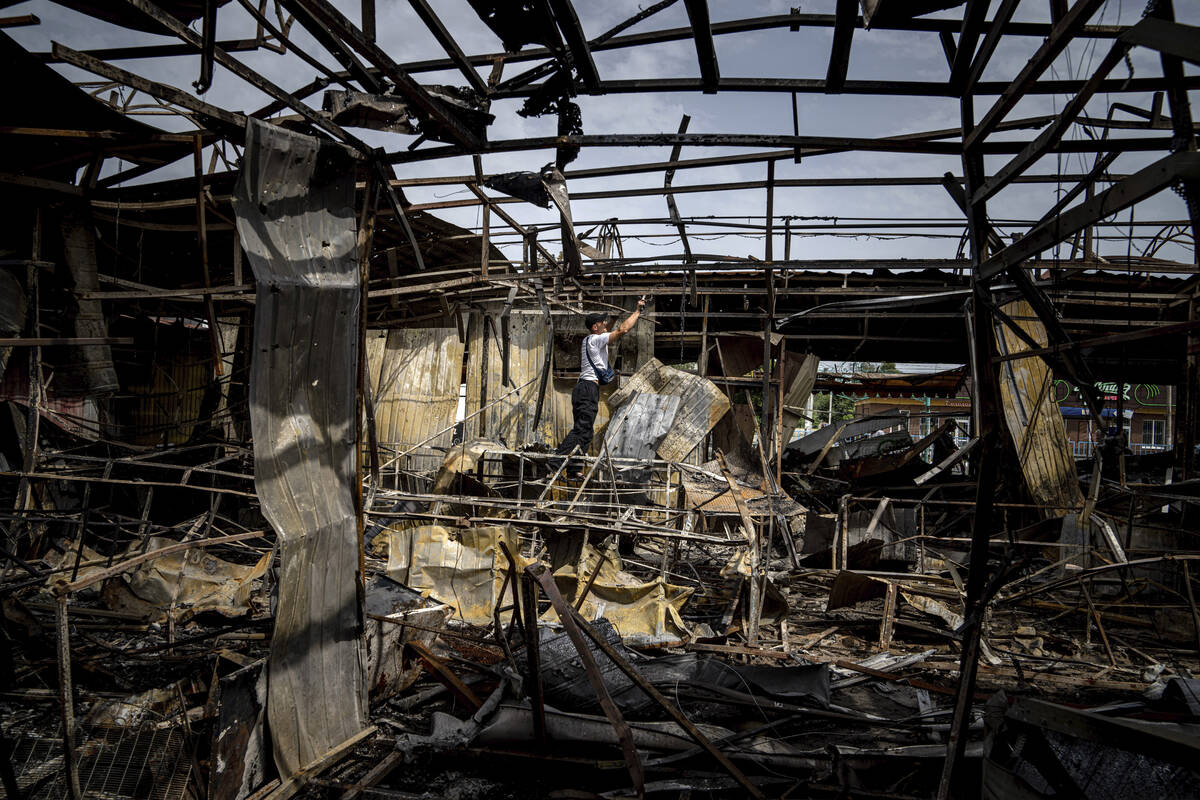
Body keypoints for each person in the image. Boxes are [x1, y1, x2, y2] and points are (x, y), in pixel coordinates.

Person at [553, 298, 647, 478]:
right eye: (602, 322)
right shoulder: (595, 339)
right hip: (587, 389)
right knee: (581, 429)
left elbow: (610, 328)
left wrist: (613, 317)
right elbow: (622, 330)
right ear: (595, 327)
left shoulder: (593, 340)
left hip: (586, 389)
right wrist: (637, 312)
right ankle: (555, 462)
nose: (605, 324)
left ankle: (573, 469)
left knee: (586, 431)